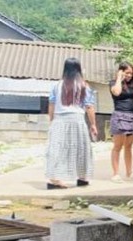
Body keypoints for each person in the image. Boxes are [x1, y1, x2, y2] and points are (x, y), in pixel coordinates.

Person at [45, 58, 97, 189]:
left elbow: (51, 104)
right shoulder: (84, 86)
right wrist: (93, 124)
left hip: (59, 120)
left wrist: (51, 120)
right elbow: (89, 107)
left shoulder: (57, 85)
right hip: (77, 120)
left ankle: (54, 180)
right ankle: (82, 177)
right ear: (79, 69)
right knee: (81, 148)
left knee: (58, 149)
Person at [109, 62, 133, 183]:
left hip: (132, 115)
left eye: (131, 73)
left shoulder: (132, 84)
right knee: (117, 146)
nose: (129, 75)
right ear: (121, 71)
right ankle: (115, 174)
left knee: (129, 146)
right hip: (120, 115)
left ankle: (129, 172)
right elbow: (116, 92)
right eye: (127, 72)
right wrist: (119, 78)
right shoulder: (113, 83)